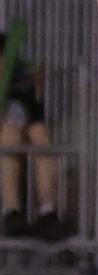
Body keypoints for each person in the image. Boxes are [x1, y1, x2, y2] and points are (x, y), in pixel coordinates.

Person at [0, 30, 65, 240]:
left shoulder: (18, 86)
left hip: (21, 127)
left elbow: (34, 117)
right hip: (9, 135)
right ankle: (11, 211)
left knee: (40, 137)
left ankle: (47, 212)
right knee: (9, 137)